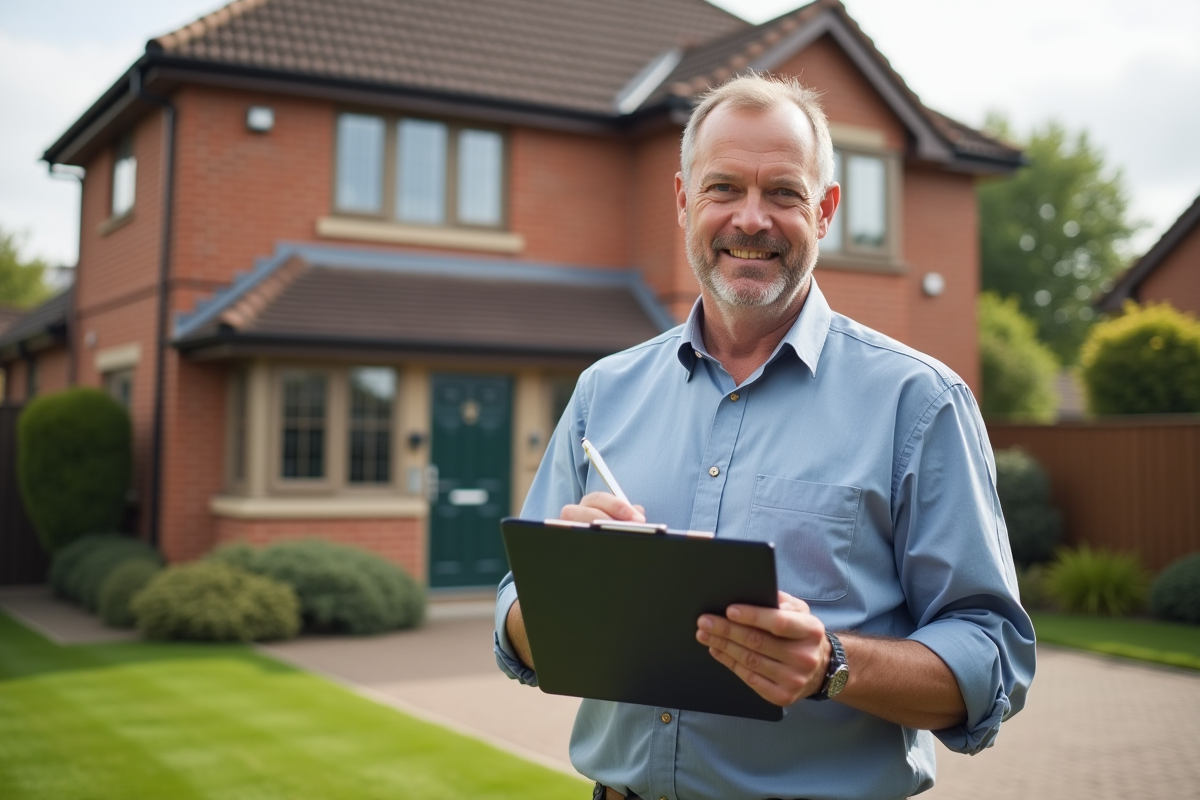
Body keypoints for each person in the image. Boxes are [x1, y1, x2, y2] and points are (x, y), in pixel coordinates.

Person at [494, 72, 1035, 800]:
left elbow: (992, 653)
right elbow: (515, 614)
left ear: (827, 209)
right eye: (723, 189)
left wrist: (832, 665)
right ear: (685, 199)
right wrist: (569, 594)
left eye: (783, 192)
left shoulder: (918, 402)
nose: (751, 219)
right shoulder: (604, 392)